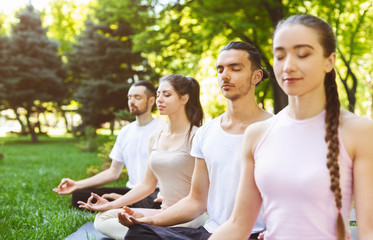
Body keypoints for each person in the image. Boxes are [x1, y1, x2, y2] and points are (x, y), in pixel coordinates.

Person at [210, 14, 373, 240]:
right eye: (279, 56)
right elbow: (238, 225)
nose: (288, 66)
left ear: (330, 61)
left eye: (303, 54)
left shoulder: (359, 132)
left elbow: (369, 231)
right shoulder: (257, 134)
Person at [118, 41, 272, 240]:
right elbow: (196, 201)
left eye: (235, 68)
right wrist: (151, 220)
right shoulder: (207, 132)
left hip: (255, 235)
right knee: (139, 233)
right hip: (210, 232)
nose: (225, 75)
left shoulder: (275, 129)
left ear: (256, 76)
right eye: (220, 69)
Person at [77, 74, 207, 240]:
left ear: (184, 98)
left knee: (138, 228)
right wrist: (112, 204)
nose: (160, 99)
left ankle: (152, 233)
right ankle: (157, 235)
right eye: (159, 94)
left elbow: (201, 196)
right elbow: (147, 184)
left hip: (190, 217)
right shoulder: (155, 137)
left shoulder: (197, 136)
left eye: (167, 95)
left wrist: (149, 220)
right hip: (163, 212)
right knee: (103, 219)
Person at [53, 80, 165, 209]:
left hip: (154, 192)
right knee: (79, 195)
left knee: (157, 202)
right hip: (131, 190)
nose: (131, 101)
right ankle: (124, 202)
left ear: (151, 101)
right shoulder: (125, 131)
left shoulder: (162, 129)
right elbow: (113, 172)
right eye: (129, 97)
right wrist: (77, 184)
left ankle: (122, 203)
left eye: (137, 97)